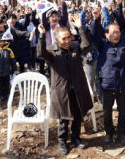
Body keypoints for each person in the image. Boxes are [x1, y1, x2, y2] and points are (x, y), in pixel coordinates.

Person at [37, 16, 93, 155]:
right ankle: (62, 141)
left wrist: (81, 28)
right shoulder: (51, 52)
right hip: (62, 91)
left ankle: (76, 137)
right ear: (56, 40)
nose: (67, 41)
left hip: (77, 89)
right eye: (64, 39)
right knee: (63, 119)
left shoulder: (75, 48)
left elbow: (86, 45)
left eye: (69, 37)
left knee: (78, 116)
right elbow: (40, 53)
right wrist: (41, 36)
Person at [90, 5, 125, 145]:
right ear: (106, 34)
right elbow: (93, 35)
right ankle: (109, 133)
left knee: (122, 111)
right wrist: (96, 19)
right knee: (107, 112)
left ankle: (121, 132)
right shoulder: (102, 45)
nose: (116, 35)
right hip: (107, 85)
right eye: (112, 33)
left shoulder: (124, 43)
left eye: (118, 32)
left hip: (122, 85)